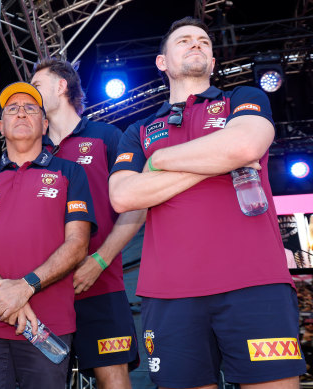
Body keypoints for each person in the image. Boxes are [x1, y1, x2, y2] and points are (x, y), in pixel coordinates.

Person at [108, 16, 306, 389]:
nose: (196, 44)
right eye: (183, 40)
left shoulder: (244, 98)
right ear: (162, 62)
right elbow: (123, 195)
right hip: (168, 292)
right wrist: (219, 160)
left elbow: (245, 146)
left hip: (255, 281)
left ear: (214, 62)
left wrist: (159, 161)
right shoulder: (137, 131)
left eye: (203, 41)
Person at [0, 82, 97, 388]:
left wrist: (27, 286)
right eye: (12, 109)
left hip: (48, 326)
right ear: (1, 125)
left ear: (44, 124)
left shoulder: (70, 173)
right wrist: (7, 292)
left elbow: (78, 243)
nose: (21, 113)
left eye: (30, 108)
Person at [31, 58, 145, 388]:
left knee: (114, 378)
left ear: (61, 86)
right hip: (45, 290)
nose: (30, 94)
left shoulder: (106, 136)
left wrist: (100, 260)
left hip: (101, 284)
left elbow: (137, 204)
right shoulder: (32, 150)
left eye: (37, 86)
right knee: (43, 380)